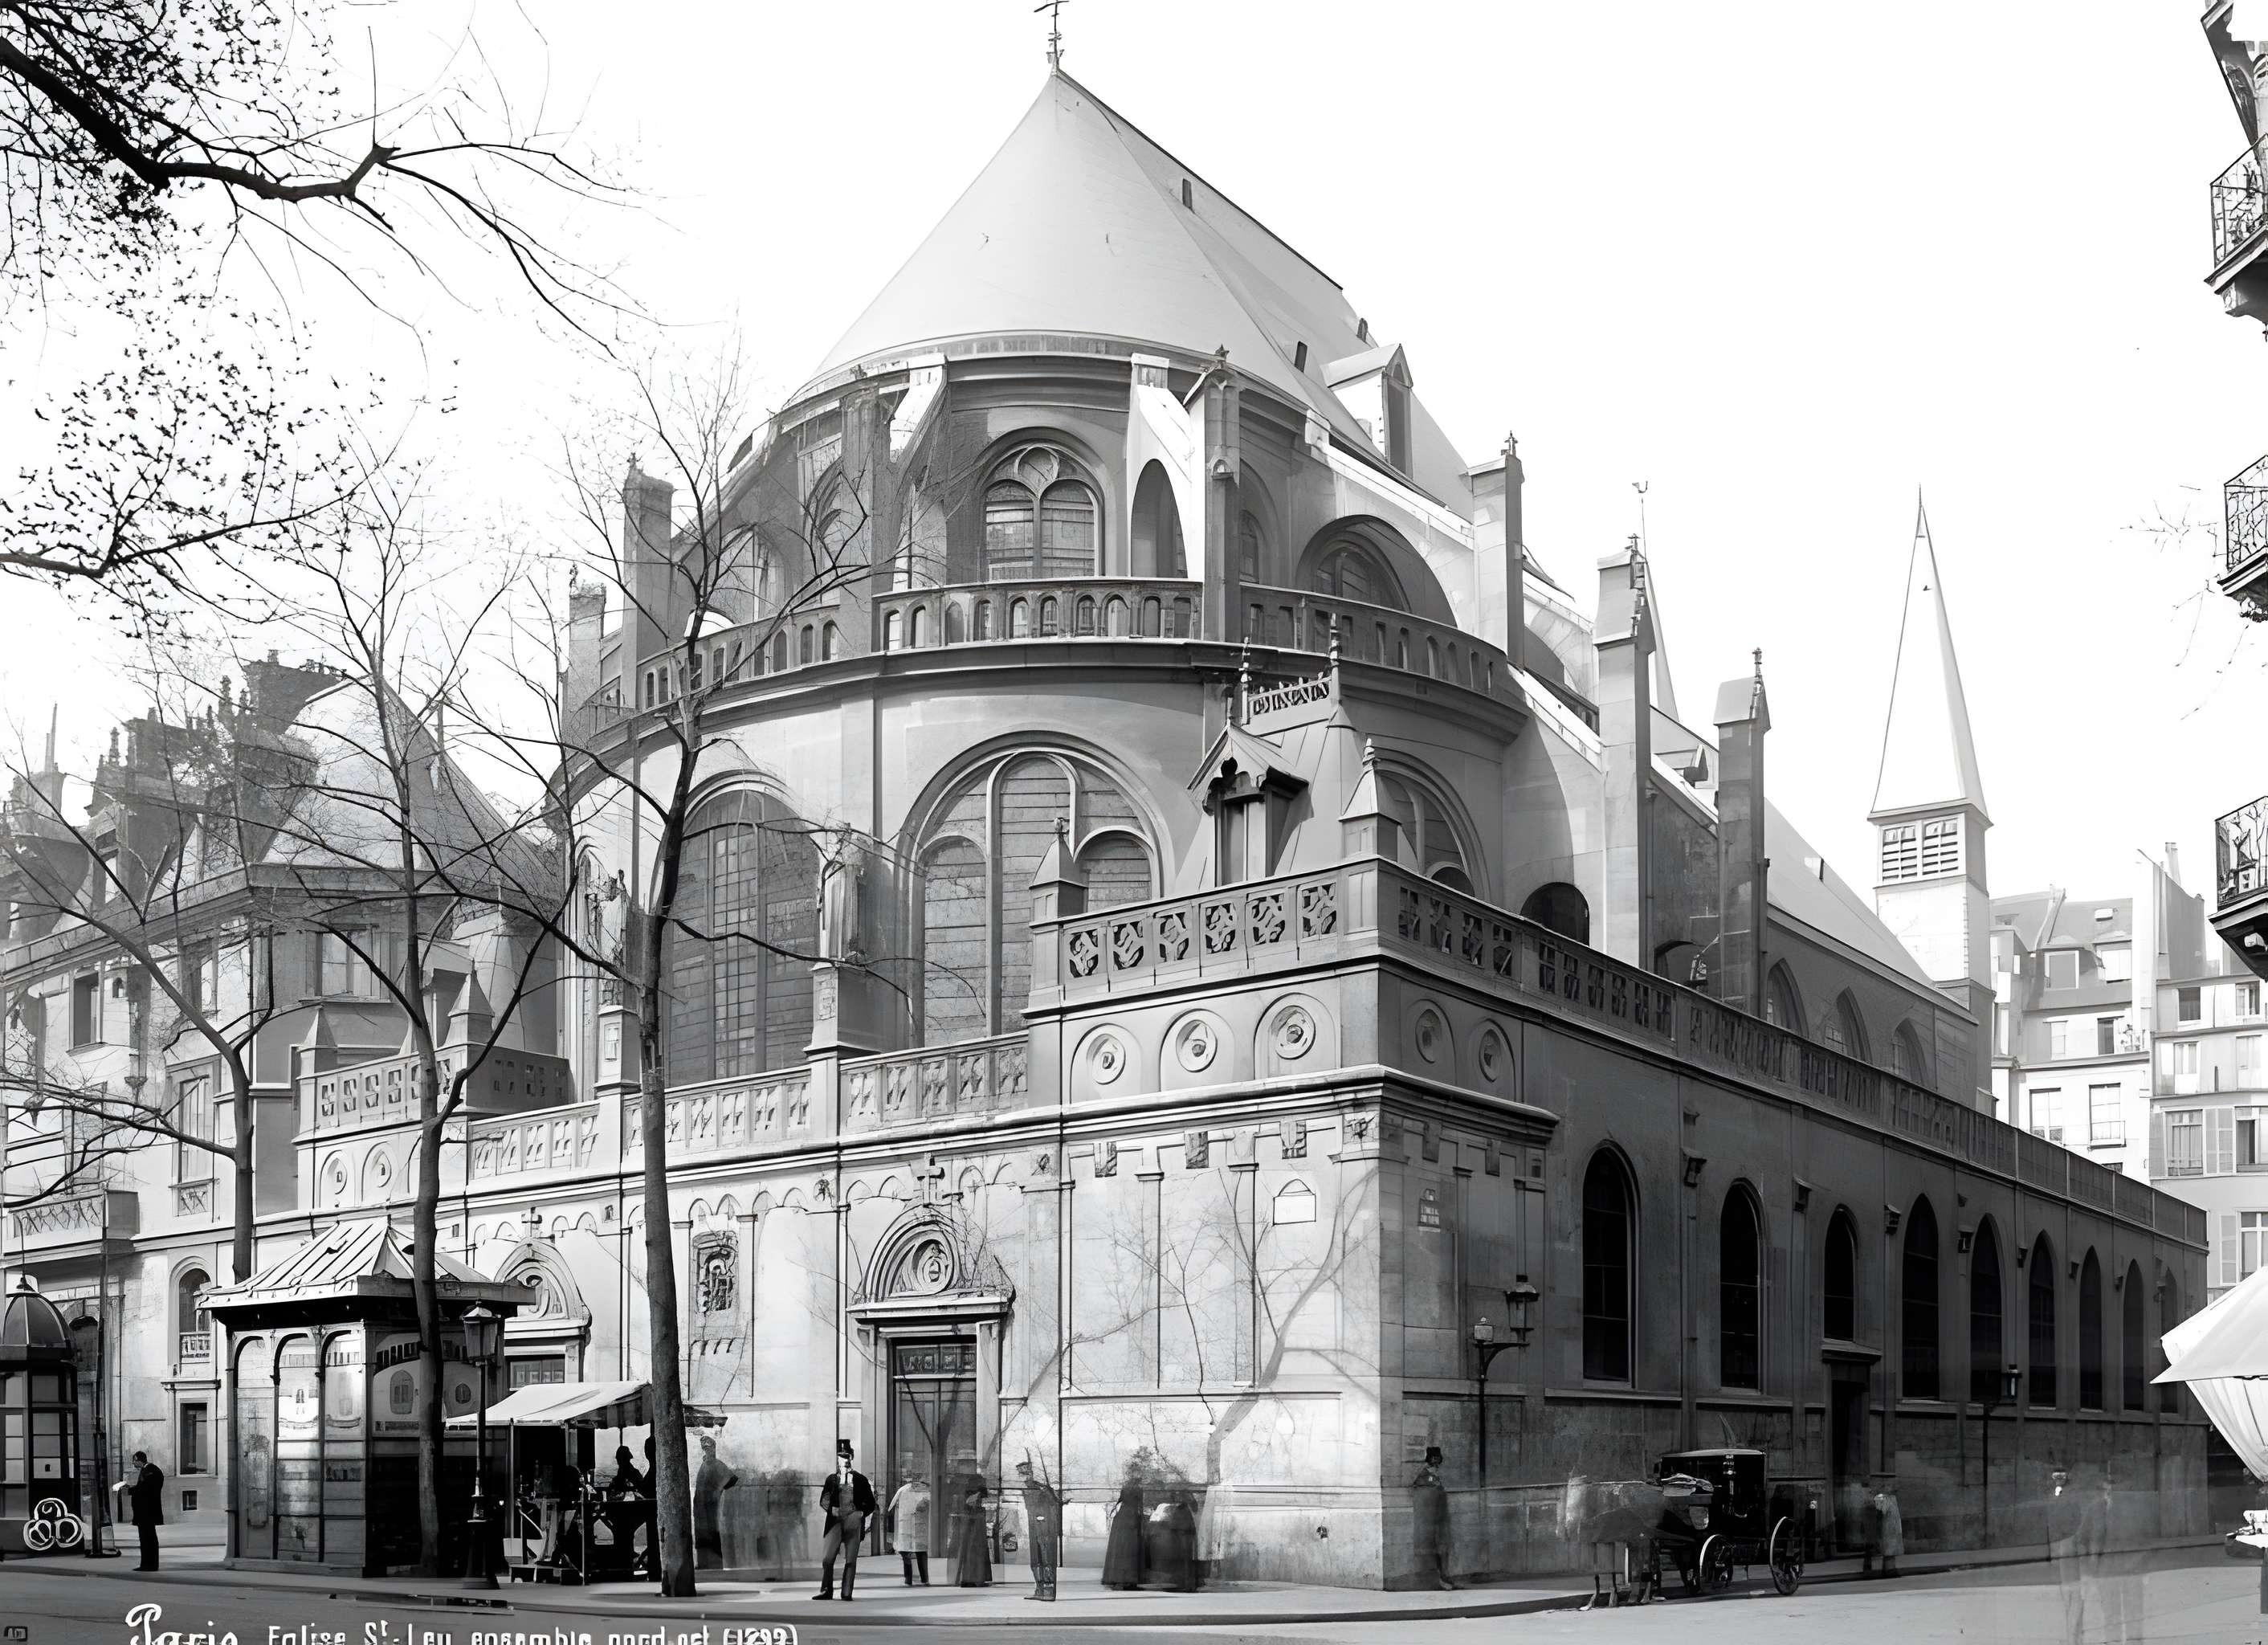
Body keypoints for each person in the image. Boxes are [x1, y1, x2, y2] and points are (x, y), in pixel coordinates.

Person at [814, 1439, 876, 1602]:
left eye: (847, 1456)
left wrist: (860, 1513)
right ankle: (826, 1589)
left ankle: (847, 1591)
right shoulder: (831, 1480)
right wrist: (830, 1509)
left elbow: (871, 1503)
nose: (844, 1459)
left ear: (851, 1457)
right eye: (841, 1456)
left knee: (851, 1560)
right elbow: (824, 1500)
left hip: (853, 1523)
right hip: (834, 1522)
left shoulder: (861, 1480)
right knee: (827, 1559)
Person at [2047, 1466, 2086, 1644]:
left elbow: (2076, 1518)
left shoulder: (2072, 1496)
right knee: (2065, 1589)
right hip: (2059, 1542)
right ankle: (2070, 1632)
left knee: (2073, 1589)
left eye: (2062, 1475)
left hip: (2069, 1540)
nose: (2059, 1478)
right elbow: (2050, 1520)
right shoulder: (2052, 1496)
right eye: (2056, 1476)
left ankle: (2076, 1634)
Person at [1016, 1456, 1061, 1601]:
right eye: (1023, 1474)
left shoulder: (1041, 1489)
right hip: (1035, 1525)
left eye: (1026, 1473)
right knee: (1037, 1558)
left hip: (1042, 1526)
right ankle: (1040, 1589)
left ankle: (1047, 1590)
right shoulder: (1031, 1489)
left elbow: (1052, 1504)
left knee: (1045, 1556)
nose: (1025, 1477)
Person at [1411, 1446, 1454, 1590]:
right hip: (1430, 1517)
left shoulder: (1440, 1473)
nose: (1435, 1460)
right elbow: (1422, 1489)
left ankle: (1445, 1575)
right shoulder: (1425, 1474)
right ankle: (1437, 1578)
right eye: (1433, 1457)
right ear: (1429, 1458)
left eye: (1437, 1457)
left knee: (1443, 1546)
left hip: (1441, 1514)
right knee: (1432, 1547)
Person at [693, 1435, 738, 1570]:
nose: (708, 1450)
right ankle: (704, 1563)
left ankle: (714, 1563)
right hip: (700, 1505)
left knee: (711, 1532)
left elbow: (732, 1479)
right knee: (702, 1533)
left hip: (710, 1505)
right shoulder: (705, 1463)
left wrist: (718, 1489)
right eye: (705, 1448)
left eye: (710, 1447)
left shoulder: (716, 1464)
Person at [114, 1451, 165, 1570]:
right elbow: (144, 1488)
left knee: (148, 1538)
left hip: (147, 1512)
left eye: (135, 1460)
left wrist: (130, 1490)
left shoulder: (151, 1471)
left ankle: (150, 1564)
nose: (133, 1463)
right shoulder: (147, 1470)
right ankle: (147, 1564)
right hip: (145, 1512)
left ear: (140, 1460)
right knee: (146, 1538)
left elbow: (146, 1489)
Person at [887, 1462, 932, 1586]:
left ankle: (910, 1579)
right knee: (919, 1553)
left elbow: (890, 1509)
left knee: (909, 1553)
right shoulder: (925, 1490)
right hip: (916, 1526)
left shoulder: (904, 1489)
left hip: (909, 1526)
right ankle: (923, 1579)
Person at [1101, 1466, 1144, 1590]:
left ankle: (1121, 1577)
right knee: (1129, 1548)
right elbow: (1139, 1506)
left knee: (1122, 1548)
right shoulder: (1138, 1489)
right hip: (1129, 1519)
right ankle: (1128, 1578)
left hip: (1123, 1518)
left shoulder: (1127, 1488)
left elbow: (1120, 1501)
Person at [952, 1460, 993, 1586]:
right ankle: (972, 1578)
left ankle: (971, 1577)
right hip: (971, 1518)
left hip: (971, 1517)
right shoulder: (972, 1480)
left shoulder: (964, 1480)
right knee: (972, 1548)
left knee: (972, 1548)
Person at [1870, 1485, 1903, 1579]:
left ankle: (1888, 1570)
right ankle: (1890, 1570)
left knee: (1890, 1551)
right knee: (1889, 1551)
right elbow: (1881, 1513)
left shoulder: (1890, 1499)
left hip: (1891, 1528)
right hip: (1889, 1529)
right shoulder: (1886, 1499)